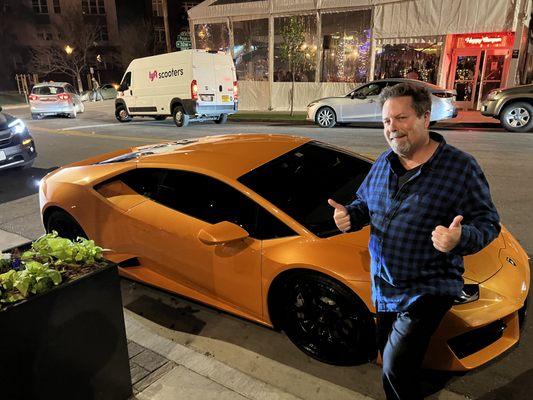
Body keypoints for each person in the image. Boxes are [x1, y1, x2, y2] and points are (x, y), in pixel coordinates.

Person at [327, 83, 500, 400]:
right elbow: (366, 204)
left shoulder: (460, 168)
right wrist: (351, 216)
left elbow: (488, 223)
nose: (392, 128)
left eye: (401, 118)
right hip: (384, 286)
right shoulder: (384, 162)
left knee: (394, 366)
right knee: (391, 359)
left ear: (425, 116)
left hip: (427, 288)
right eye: (386, 121)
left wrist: (460, 239)